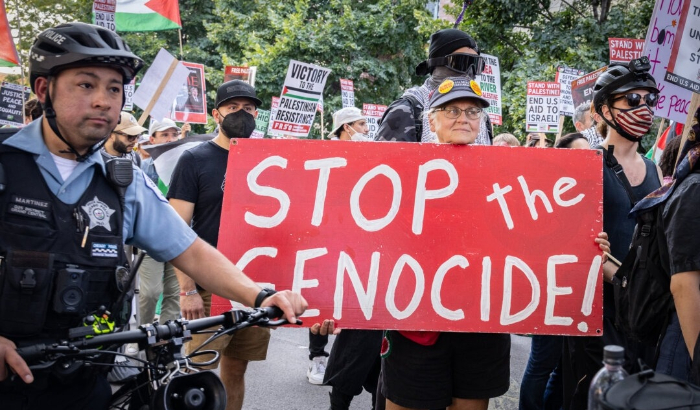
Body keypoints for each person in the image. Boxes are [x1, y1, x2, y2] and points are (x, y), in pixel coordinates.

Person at [0, 23, 306, 410]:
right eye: (85, 85)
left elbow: (190, 249)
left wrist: (260, 294)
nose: (103, 101)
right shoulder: (6, 161)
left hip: (87, 381)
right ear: (44, 90)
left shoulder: (123, 183)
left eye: (114, 88)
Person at [380, 77, 510, 410]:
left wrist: (581, 242)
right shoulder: (400, 173)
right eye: (452, 110)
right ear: (432, 119)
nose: (463, 118)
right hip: (415, 324)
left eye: (472, 111)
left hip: (480, 323)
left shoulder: (506, 176)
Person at [562, 57, 662, 410]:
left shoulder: (656, 170)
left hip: (644, 314)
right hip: (597, 315)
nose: (644, 109)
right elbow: (572, 245)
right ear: (602, 108)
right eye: (632, 101)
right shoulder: (586, 167)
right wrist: (614, 275)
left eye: (649, 100)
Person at [167, 79, 265, 410]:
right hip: (208, 285)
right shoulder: (194, 160)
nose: (242, 114)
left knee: (236, 370)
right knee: (200, 370)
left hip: (253, 286)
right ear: (216, 114)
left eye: (249, 108)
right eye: (233, 107)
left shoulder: (269, 162)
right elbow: (177, 230)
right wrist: (187, 289)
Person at [519, 131, 591, 410]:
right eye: (579, 152)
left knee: (565, 366)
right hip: (550, 291)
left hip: (578, 292)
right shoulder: (546, 193)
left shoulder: (592, 195)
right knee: (542, 363)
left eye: (591, 153)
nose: (587, 158)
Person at [374, 29, 491, 145]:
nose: (469, 72)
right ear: (437, 64)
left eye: (476, 65)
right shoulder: (406, 109)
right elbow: (384, 161)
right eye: (462, 62)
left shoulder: (480, 116)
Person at [137, 118, 182, 325]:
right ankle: (140, 335)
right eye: (164, 135)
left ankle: (166, 343)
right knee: (150, 292)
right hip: (152, 239)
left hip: (181, 239)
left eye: (174, 134)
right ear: (152, 140)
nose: (170, 139)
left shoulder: (186, 165)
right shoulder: (144, 168)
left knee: (174, 294)